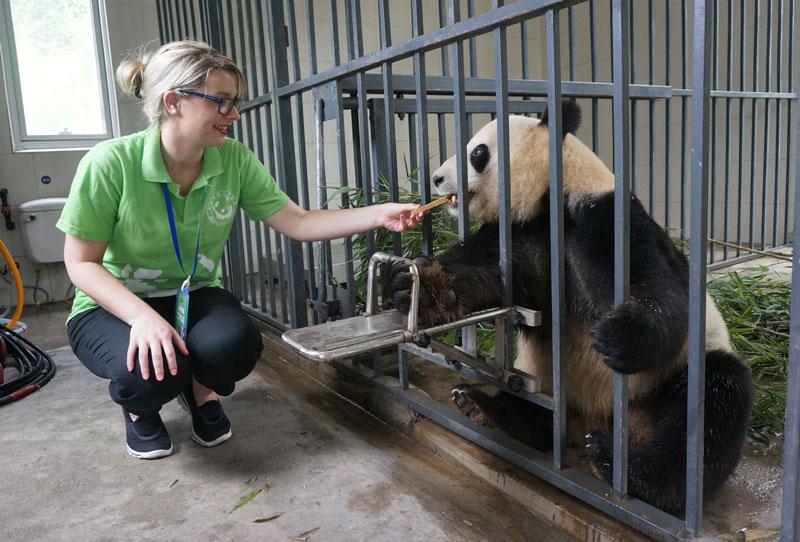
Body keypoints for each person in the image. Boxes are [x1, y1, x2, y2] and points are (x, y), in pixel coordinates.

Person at [57, 40, 420, 460]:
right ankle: (140, 410)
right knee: (147, 373)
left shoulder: (233, 160)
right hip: (113, 303)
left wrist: (380, 214)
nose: (235, 115)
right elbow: (80, 263)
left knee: (235, 347)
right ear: (173, 102)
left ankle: (201, 392)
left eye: (234, 102)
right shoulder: (109, 163)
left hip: (190, 293)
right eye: (222, 102)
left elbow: (298, 223)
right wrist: (141, 317)